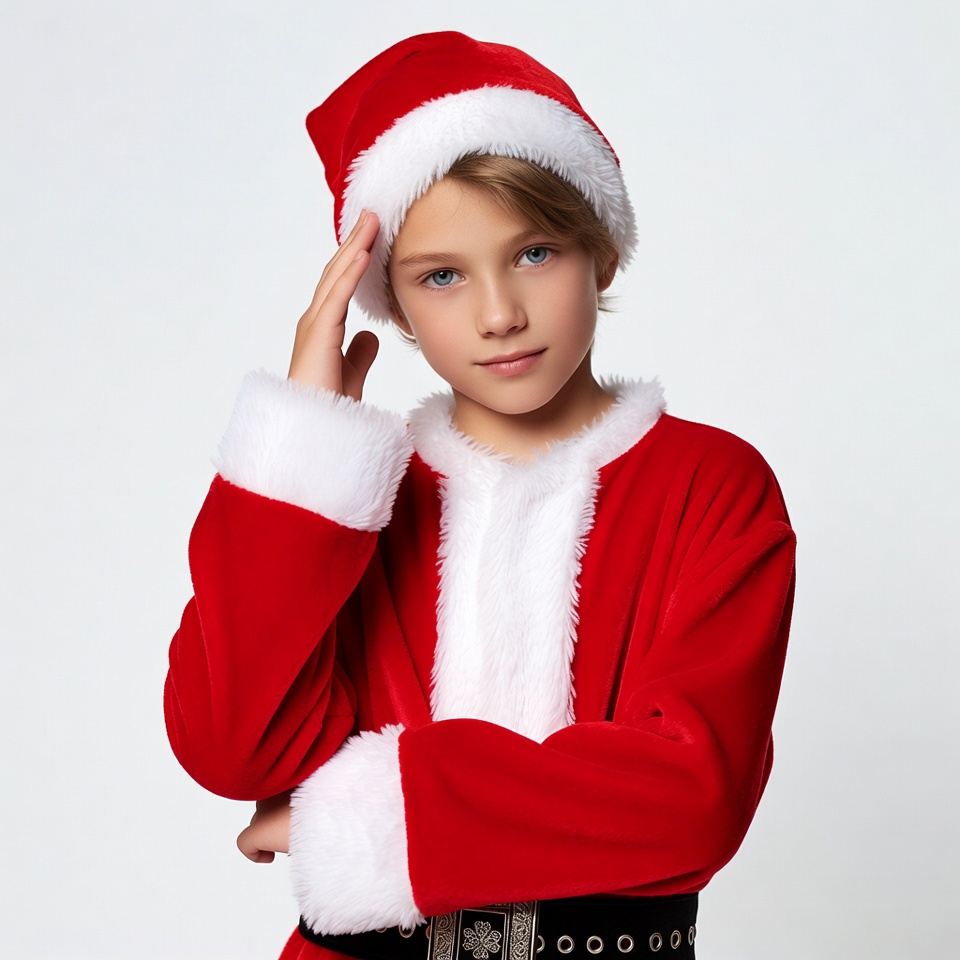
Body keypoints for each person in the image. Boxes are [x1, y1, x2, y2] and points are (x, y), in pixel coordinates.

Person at [164, 31, 796, 960]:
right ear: (393, 302)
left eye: (535, 252)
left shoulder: (711, 487)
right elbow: (235, 750)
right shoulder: (352, 503)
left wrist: (358, 811)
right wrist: (301, 455)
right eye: (443, 277)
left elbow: (693, 796)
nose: (498, 312)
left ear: (602, 254)